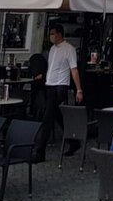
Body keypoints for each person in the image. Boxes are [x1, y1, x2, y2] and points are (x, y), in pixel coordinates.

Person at [33, 23, 84, 162]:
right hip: (50, 85)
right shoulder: (52, 49)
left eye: (53, 33)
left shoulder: (69, 49)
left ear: (60, 34)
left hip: (60, 86)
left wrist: (78, 89)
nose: (51, 36)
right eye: (50, 34)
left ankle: (40, 151)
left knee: (47, 117)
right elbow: (52, 67)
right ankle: (74, 141)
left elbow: (74, 70)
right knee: (57, 115)